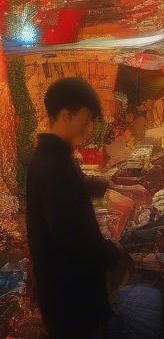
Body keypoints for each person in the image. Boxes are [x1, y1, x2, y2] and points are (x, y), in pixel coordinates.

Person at [26, 78, 126, 339]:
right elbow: (71, 236)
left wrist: (109, 185)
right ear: (65, 116)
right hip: (71, 295)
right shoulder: (52, 165)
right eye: (86, 118)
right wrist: (112, 256)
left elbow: (75, 191)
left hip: (67, 292)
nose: (89, 126)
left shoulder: (54, 158)